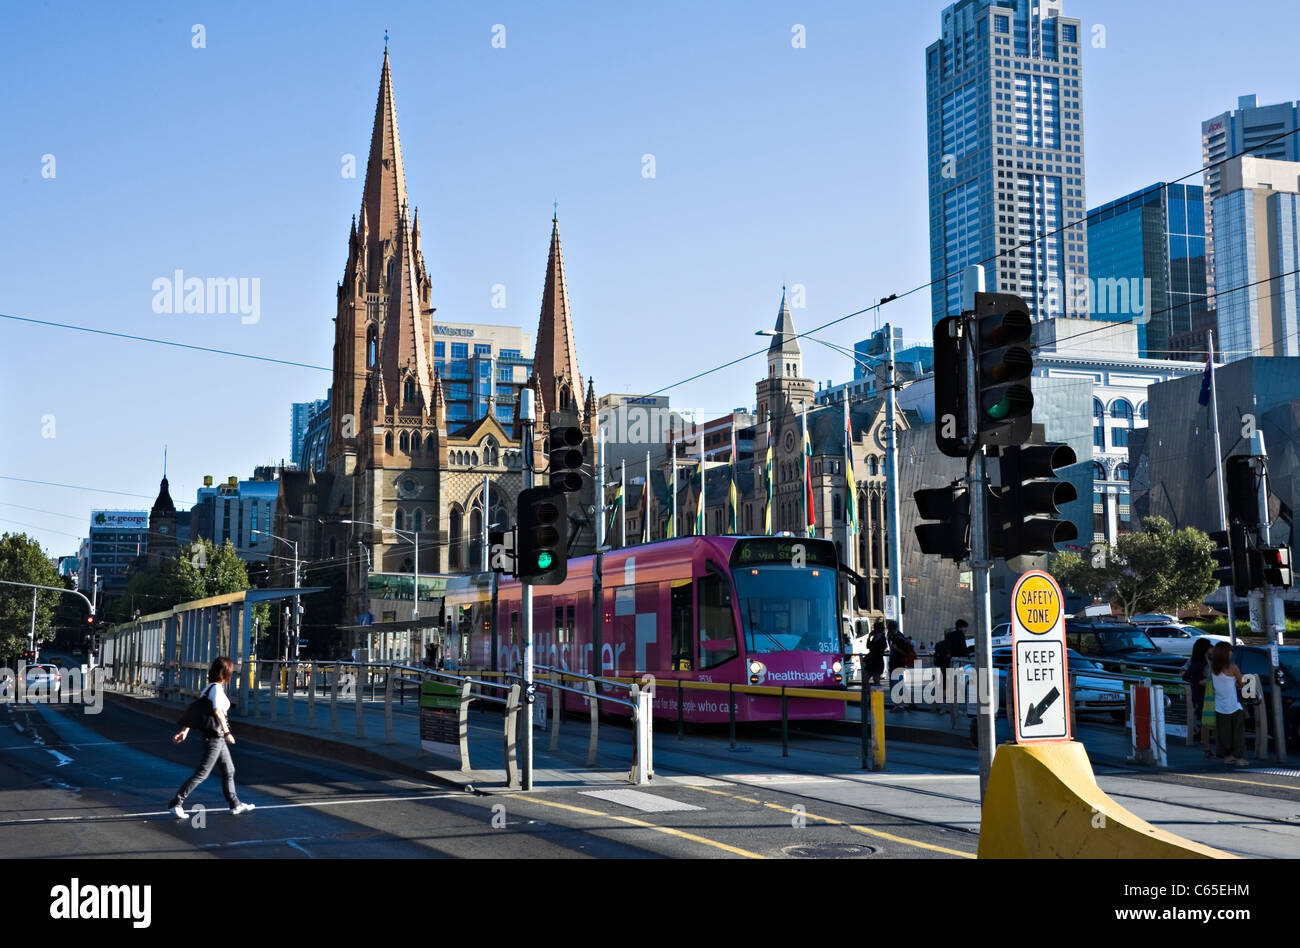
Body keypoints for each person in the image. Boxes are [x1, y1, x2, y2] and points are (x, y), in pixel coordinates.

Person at [169, 656, 255, 817]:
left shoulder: (208, 689)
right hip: (215, 737)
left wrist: (184, 731)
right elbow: (216, 711)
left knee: (229, 770)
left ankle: (235, 804)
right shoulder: (215, 689)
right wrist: (227, 732)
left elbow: (197, 711)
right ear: (226, 673)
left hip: (217, 737)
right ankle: (177, 803)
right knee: (203, 772)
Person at [1209, 642, 1247, 765]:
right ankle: (1239, 757)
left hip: (1220, 705)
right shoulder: (1233, 667)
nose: (1231, 652)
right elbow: (1241, 683)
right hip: (1234, 704)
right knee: (1238, 732)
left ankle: (1227, 756)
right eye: (1230, 650)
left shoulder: (1213, 668)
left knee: (1224, 733)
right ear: (1226, 653)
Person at [1180, 638, 1213, 751]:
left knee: (1205, 720)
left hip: (1205, 693)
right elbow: (1185, 676)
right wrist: (1199, 682)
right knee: (1205, 720)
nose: (1211, 648)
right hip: (1202, 694)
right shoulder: (1200, 662)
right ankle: (1206, 745)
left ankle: (1206, 744)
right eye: (1209, 646)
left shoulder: (1205, 660)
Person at [864, 620, 887, 687]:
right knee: (869, 679)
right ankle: (870, 694)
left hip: (876, 661)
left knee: (875, 679)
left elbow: (872, 647)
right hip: (873, 661)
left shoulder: (882, 638)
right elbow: (868, 646)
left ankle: (876, 695)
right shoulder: (875, 637)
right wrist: (869, 637)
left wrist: (870, 638)